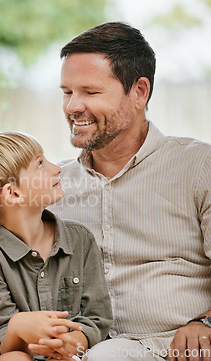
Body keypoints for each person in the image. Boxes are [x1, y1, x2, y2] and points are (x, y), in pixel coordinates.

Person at [47, 21, 211, 361]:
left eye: (90, 92)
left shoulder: (199, 166)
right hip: (84, 351)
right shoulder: (53, 182)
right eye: (67, 92)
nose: (72, 106)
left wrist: (208, 323)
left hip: (179, 349)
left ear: (139, 92)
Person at [0, 131, 112, 361]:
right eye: (40, 164)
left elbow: (97, 318)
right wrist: (18, 327)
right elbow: (1, 340)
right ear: (13, 193)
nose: (56, 168)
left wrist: (72, 344)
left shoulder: (80, 240)